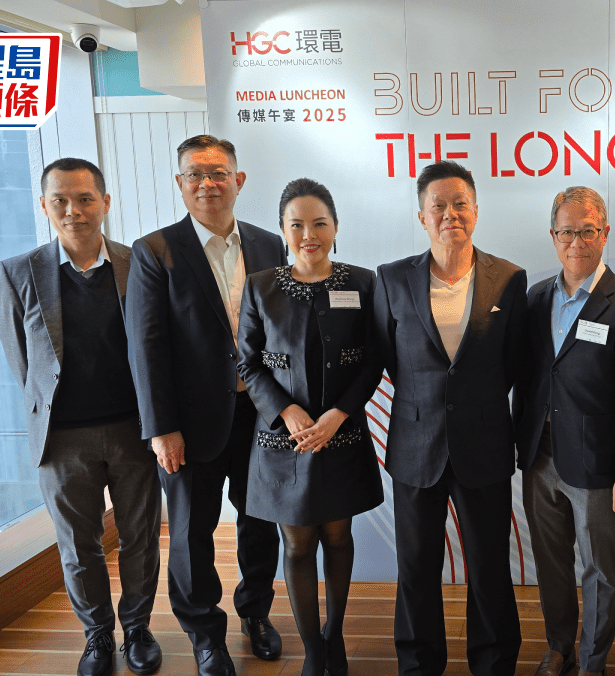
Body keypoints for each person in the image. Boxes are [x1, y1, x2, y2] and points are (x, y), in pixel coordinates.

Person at [126, 135, 288, 676]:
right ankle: (205, 635)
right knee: (192, 532)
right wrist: (161, 428)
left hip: (260, 414)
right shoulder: (156, 251)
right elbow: (146, 345)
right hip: (189, 424)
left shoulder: (269, 244)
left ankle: (256, 613)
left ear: (238, 180)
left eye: (218, 173)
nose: (207, 184)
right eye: (194, 174)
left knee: (259, 521)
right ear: (180, 184)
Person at [0, 158, 162, 676]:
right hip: (62, 440)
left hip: (134, 431)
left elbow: (159, 347)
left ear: (105, 202)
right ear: (44, 206)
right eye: (60, 200)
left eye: (86, 199)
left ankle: (137, 628)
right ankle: (97, 636)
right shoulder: (18, 272)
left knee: (140, 538)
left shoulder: (139, 263)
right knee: (77, 545)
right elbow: (21, 360)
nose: (74, 210)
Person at [372, 160, 527, 676]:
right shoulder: (392, 278)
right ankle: (419, 665)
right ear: (422, 216)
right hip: (416, 444)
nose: (450, 214)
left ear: (476, 211)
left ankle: (494, 663)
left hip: (484, 442)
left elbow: (514, 363)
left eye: (460, 203)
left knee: (488, 567)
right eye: (437, 205)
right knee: (416, 567)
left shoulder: (508, 279)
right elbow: (389, 358)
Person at [236, 178, 385, 676]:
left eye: (319, 223)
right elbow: (248, 363)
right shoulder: (260, 286)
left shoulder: (363, 283)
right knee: (298, 544)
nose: (309, 235)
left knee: (338, 538)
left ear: (335, 227)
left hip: (342, 435)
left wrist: (339, 412)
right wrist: (286, 411)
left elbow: (373, 359)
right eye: (296, 224)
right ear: (282, 230)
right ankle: (312, 650)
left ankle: (333, 636)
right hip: (285, 441)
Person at [513, 186, 615, 676]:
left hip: (597, 461)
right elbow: (529, 378)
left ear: (605, 233)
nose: (577, 242)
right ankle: (560, 648)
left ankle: (593, 662)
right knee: (550, 561)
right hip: (540, 455)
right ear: (553, 236)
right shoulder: (536, 298)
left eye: (588, 231)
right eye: (567, 232)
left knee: (599, 567)